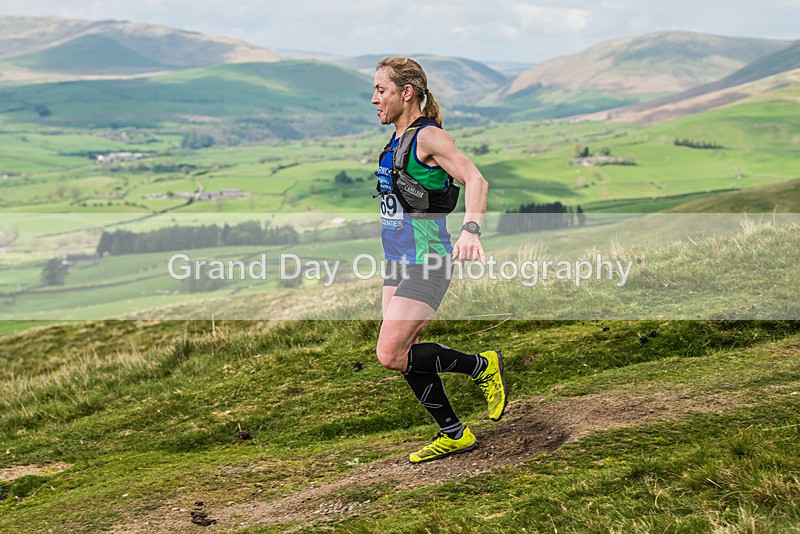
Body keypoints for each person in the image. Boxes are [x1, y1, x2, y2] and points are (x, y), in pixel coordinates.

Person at [371, 57, 509, 464]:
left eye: (382, 90)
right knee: (403, 350)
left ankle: (481, 367)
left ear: (406, 93)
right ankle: (454, 433)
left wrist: (470, 231)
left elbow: (476, 179)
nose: (374, 99)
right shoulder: (396, 141)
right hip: (397, 262)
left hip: (428, 260)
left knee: (390, 353)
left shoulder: (427, 137)